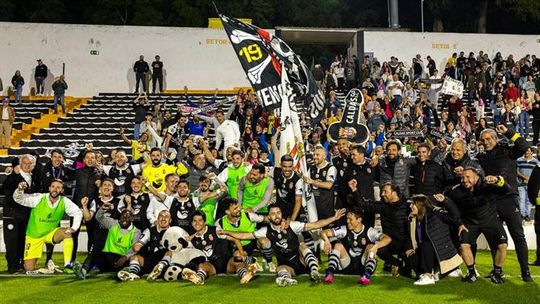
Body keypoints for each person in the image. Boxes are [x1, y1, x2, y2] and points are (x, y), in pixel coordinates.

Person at [219, 204, 346, 287]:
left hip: (302, 261)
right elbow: (244, 236)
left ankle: (314, 271)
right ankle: (286, 279)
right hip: (287, 265)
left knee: (302, 245)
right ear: (268, 217)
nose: (276, 215)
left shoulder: (292, 225)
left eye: (278, 212)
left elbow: (315, 225)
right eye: (273, 213)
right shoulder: (265, 231)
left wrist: (333, 218)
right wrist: (226, 232)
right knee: (280, 269)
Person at [477, 125, 532, 282]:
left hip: (508, 198)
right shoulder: (481, 157)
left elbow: (524, 146)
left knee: (517, 235)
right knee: (496, 238)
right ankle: (497, 271)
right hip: (491, 201)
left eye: (488, 139)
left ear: (495, 138)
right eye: (483, 140)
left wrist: (508, 132)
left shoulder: (507, 150)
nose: (485, 142)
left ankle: (525, 272)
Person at [444, 168, 510, 284]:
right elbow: (452, 208)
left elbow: (506, 190)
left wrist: (498, 180)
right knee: (464, 246)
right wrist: (459, 223)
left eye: (468, 177)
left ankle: (497, 273)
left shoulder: (487, 185)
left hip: (490, 220)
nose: (464, 180)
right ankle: (471, 273)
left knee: (502, 245)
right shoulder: (456, 191)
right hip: (470, 222)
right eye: (462, 177)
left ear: (476, 177)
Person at [13, 180, 82, 273]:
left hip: (50, 233)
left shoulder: (64, 201)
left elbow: (77, 212)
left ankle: (67, 266)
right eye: (53, 186)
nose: (55, 189)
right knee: (29, 269)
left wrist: (74, 227)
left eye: (58, 187)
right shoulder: (39, 198)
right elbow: (19, 199)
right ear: (49, 188)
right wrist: (19, 189)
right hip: (34, 236)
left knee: (67, 233)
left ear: (61, 190)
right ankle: (50, 269)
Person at [349, 180, 409, 276]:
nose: (382, 194)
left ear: (394, 193)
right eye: (382, 191)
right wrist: (354, 190)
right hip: (390, 241)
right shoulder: (382, 206)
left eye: (385, 191)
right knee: (380, 251)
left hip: (407, 242)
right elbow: (364, 204)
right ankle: (400, 264)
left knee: (410, 271)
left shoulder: (408, 205)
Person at [183, 211, 258, 285]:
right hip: (212, 265)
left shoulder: (215, 230)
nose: (197, 223)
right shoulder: (192, 240)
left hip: (227, 261)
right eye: (194, 221)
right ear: (192, 223)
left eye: (200, 220)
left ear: (205, 222)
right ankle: (198, 278)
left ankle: (245, 274)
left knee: (238, 259)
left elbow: (235, 239)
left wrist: (242, 253)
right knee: (202, 266)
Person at [320, 208, 391, 285]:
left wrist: (376, 246)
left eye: (350, 219)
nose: (347, 221)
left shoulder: (369, 231)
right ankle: (329, 273)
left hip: (363, 266)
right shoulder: (344, 229)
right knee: (338, 245)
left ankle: (366, 275)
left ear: (359, 220)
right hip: (346, 265)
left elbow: (387, 239)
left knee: (371, 246)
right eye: (347, 219)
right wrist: (326, 241)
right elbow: (323, 232)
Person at [404, 194, 462, 285]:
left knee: (425, 244)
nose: (410, 206)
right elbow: (407, 235)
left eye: (413, 204)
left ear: (420, 205)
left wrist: (446, 201)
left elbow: (455, 216)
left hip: (439, 251)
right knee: (411, 256)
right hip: (424, 252)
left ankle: (429, 276)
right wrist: (409, 248)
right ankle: (426, 274)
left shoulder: (435, 213)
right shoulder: (411, 218)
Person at [74, 208, 140, 279]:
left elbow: (134, 248)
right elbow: (98, 217)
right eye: (122, 217)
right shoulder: (113, 223)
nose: (124, 219)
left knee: (131, 259)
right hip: (108, 259)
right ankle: (83, 271)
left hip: (122, 259)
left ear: (132, 219)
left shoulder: (136, 231)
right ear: (119, 218)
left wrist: (125, 257)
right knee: (96, 250)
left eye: (127, 217)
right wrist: (102, 208)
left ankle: (126, 272)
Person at [2, 154, 42, 273]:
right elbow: (4, 189)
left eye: (30, 163)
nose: (27, 165)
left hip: (26, 215)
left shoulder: (34, 178)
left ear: (34, 165)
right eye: (25, 163)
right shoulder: (13, 175)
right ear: (20, 164)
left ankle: (20, 264)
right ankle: (12, 267)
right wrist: (14, 175)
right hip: (12, 215)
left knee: (22, 241)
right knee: (11, 242)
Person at [117, 209, 171, 281]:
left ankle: (160, 268)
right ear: (157, 219)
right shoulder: (149, 230)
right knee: (135, 257)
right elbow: (139, 244)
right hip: (152, 259)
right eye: (161, 216)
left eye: (166, 216)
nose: (163, 218)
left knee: (170, 252)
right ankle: (133, 274)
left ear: (170, 220)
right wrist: (137, 246)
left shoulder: (174, 231)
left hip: (166, 260)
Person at [304, 145, 337, 225]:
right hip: (313, 207)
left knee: (327, 231)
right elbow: (305, 183)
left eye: (317, 155)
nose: (314, 157)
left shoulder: (331, 168)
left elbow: (329, 185)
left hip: (327, 208)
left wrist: (312, 182)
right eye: (314, 155)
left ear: (324, 156)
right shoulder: (311, 168)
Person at [516, 147, 538, 221]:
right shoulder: (519, 160)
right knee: (522, 200)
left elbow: (536, 173)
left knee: (529, 201)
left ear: (532, 152)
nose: (526, 152)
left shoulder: (536, 162)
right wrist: (525, 178)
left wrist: (530, 180)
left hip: (531, 184)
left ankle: (527, 215)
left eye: (528, 151)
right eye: (525, 151)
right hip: (521, 183)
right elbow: (516, 172)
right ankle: (523, 215)